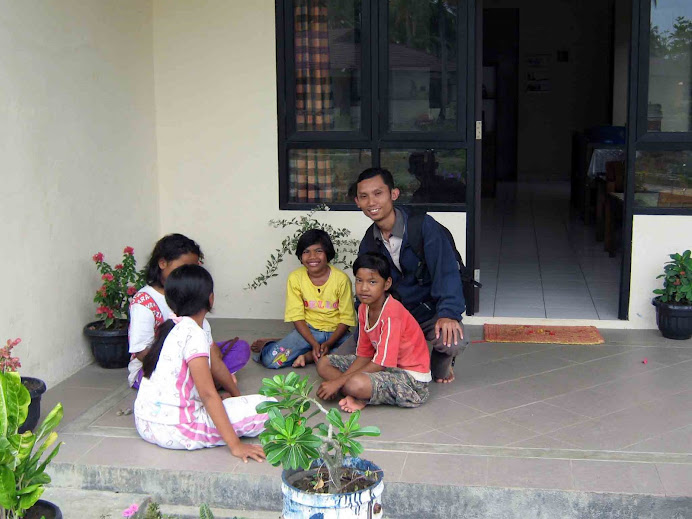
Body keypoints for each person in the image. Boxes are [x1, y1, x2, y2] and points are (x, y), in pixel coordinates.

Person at [134, 264, 271, 462]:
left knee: (224, 401)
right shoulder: (194, 334)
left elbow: (216, 366)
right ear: (210, 298)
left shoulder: (173, 325)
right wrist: (236, 446)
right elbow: (208, 394)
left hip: (145, 424)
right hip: (177, 430)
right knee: (267, 406)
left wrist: (235, 397)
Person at [349, 167, 469, 383]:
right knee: (351, 354)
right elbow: (369, 290)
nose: (371, 202)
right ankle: (405, 352)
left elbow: (446, 271)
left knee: (453, 341)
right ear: (357, 202)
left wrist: (448, 313)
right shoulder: (369, 241)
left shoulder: (423, 227)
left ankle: (441, 364)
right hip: (396, 315)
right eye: (364, 197)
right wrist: (368, 324)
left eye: (378, 193)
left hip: (429, 311)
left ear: (393, 194)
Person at [128, 234, 249, 391]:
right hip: (155, 368)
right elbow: (141, 351)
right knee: (202, 370)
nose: (188, 274)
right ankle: (204, 383)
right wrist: (187, 362)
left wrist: (210, 356)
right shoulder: (144, 303)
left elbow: (207, 343)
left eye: (193, 268)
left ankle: (201, 382)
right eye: (183, 268)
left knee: (240, 349)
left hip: (192, 355)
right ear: (162, 263)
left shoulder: (189, 293)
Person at [316, 252, 431, 411]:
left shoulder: (392, 314)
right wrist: (343, 380)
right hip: (383, 367)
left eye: (372, 282)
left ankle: (359, 396)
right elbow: (364, 354)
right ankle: (355, 393)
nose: (364, 288)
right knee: (324, 363)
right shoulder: (364, 308)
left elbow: (381, 363)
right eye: (359, 280)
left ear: (386, 284)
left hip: (409, 380)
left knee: (355, 383)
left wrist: (338, 382)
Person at [251, 229, 356, 369]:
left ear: (328, 254)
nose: (312, 256)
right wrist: (314, 343)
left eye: (318, 251)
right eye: (306, 252)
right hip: (309, 331)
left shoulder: (341, 279)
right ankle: (273, 344)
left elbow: (346, 319)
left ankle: (307, 356)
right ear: (300, 256)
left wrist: (328, 343)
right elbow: (297, 317)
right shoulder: (295, 278)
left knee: (357, 358)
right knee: (271, 360)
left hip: (337, 333)